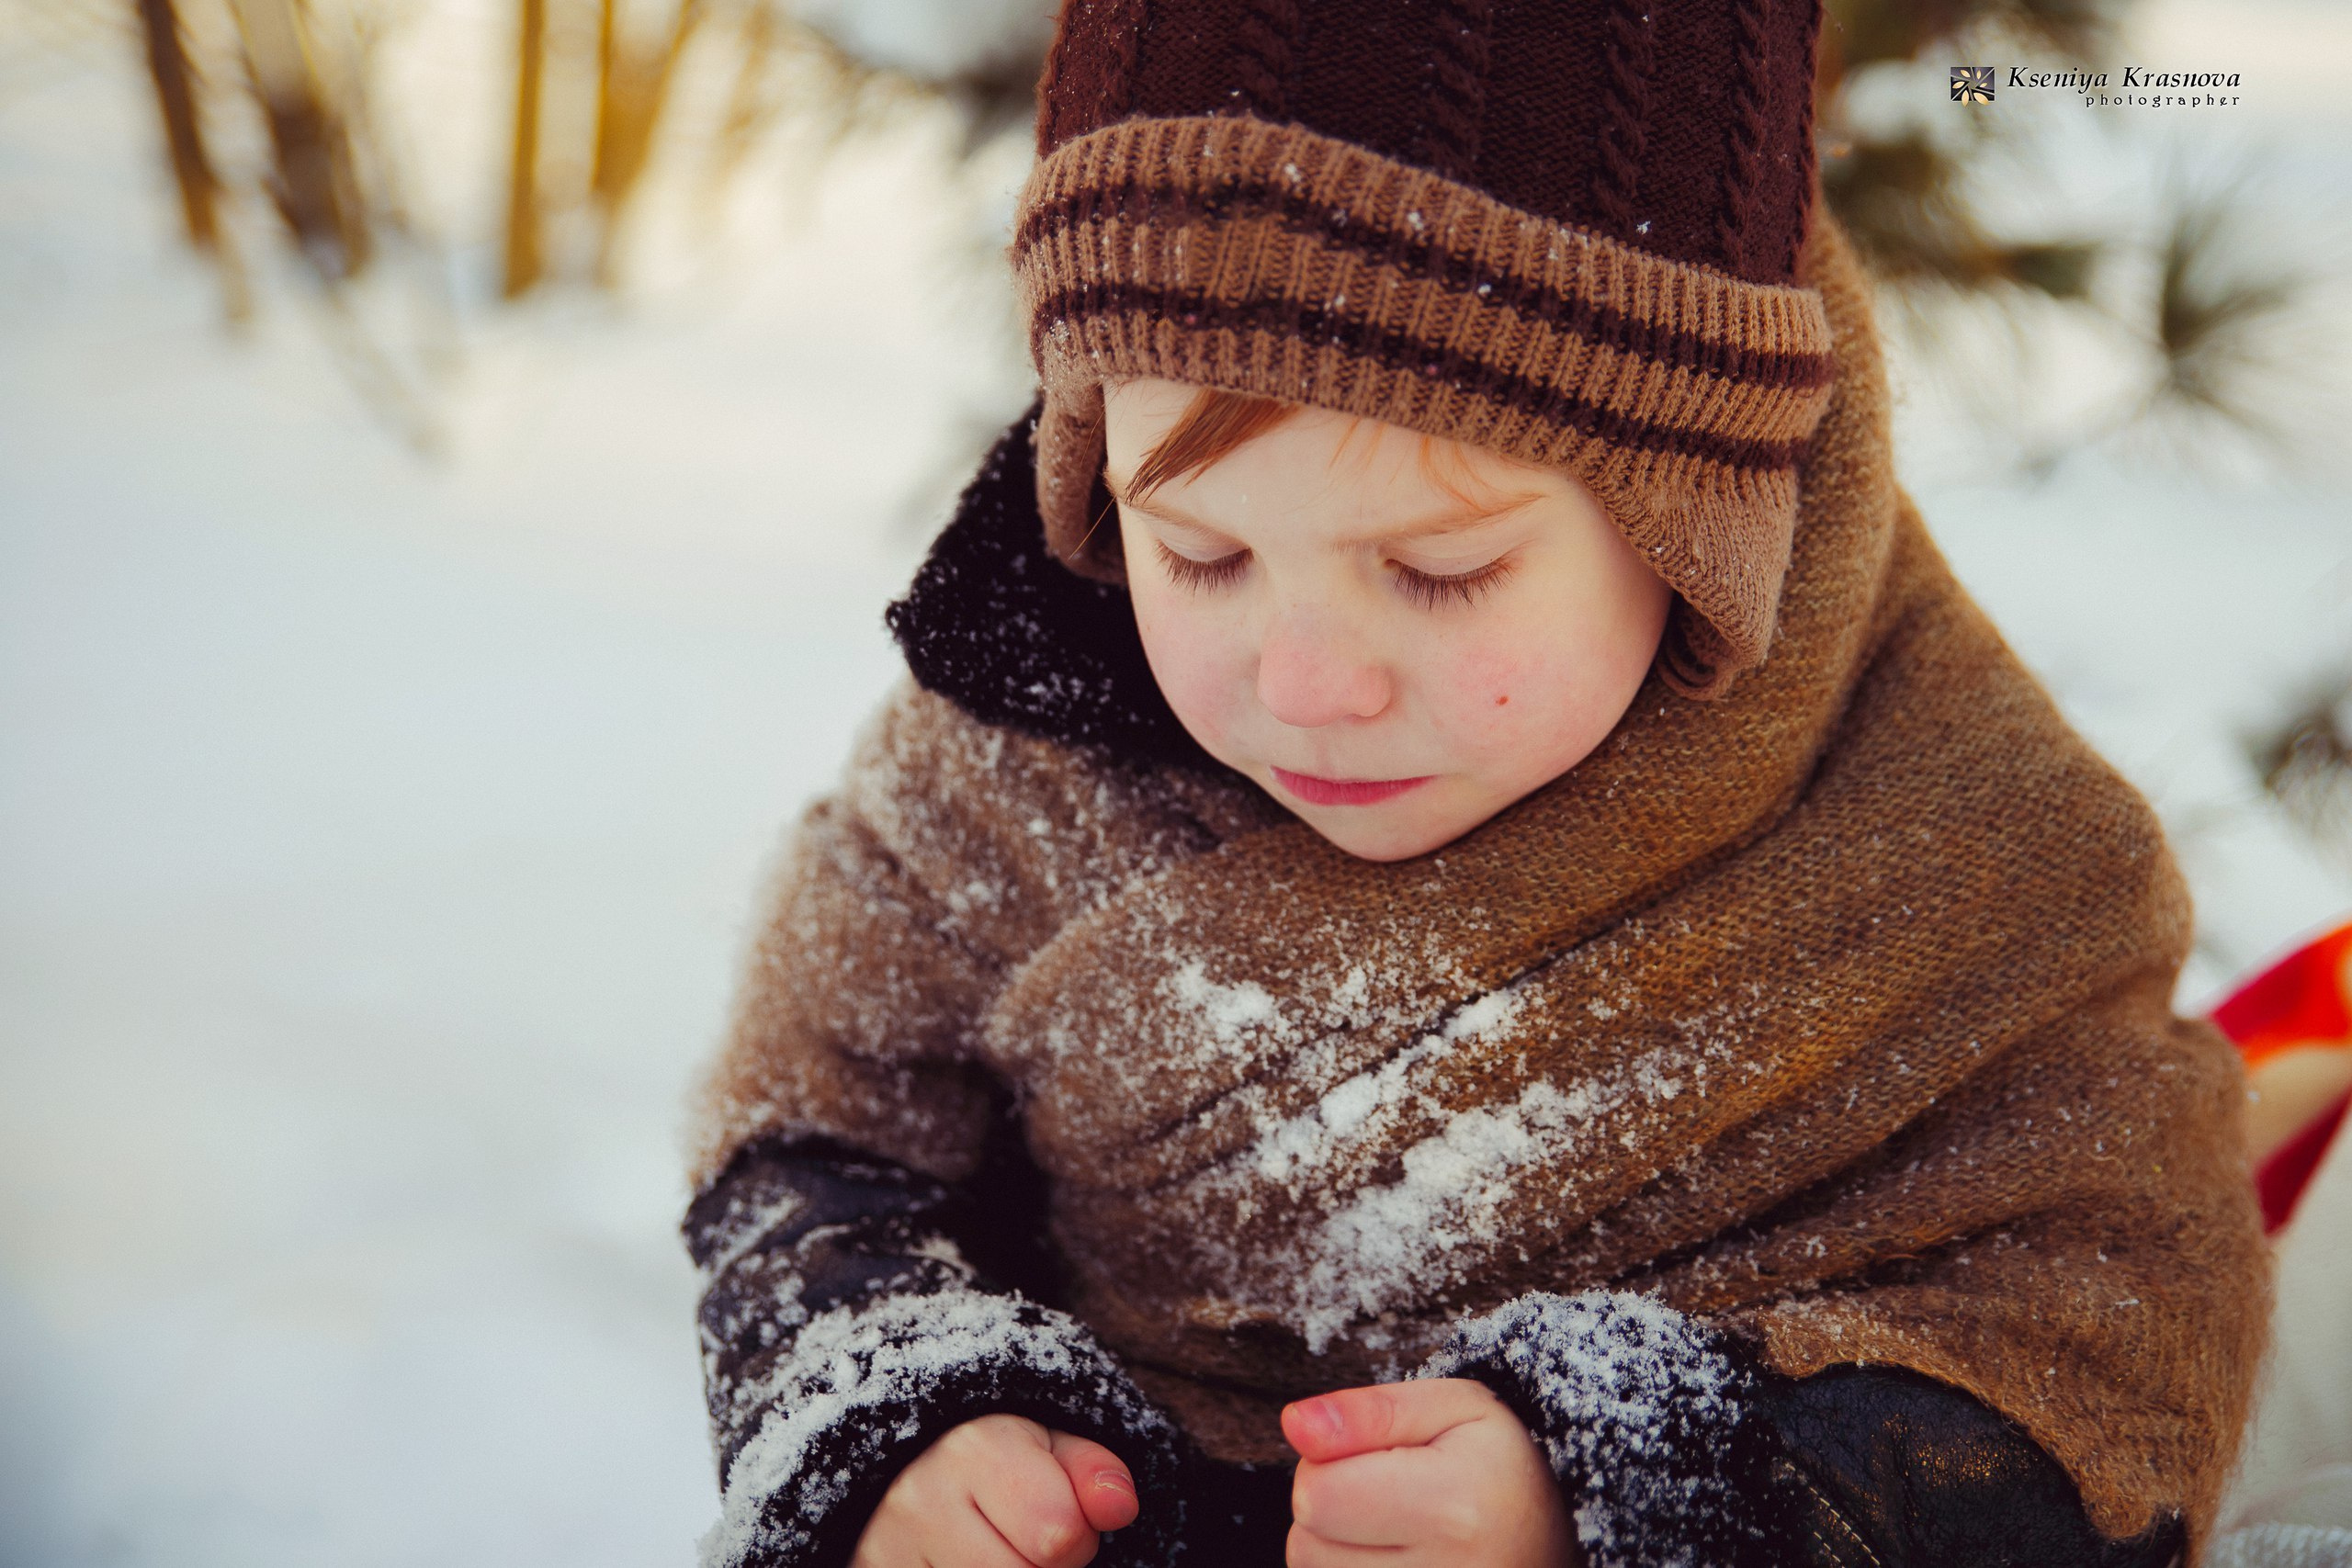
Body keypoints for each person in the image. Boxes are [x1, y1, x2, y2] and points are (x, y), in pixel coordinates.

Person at [680, 3, 2271, 1564]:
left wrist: (1645, 1491)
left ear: (1693, 521)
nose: (1305, 684)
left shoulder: (1964, 856)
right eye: (1202, 553)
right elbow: (811, 1137)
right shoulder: (1006, 768)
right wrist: (892, 1425)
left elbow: (2106, 1374)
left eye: (1442, 570)